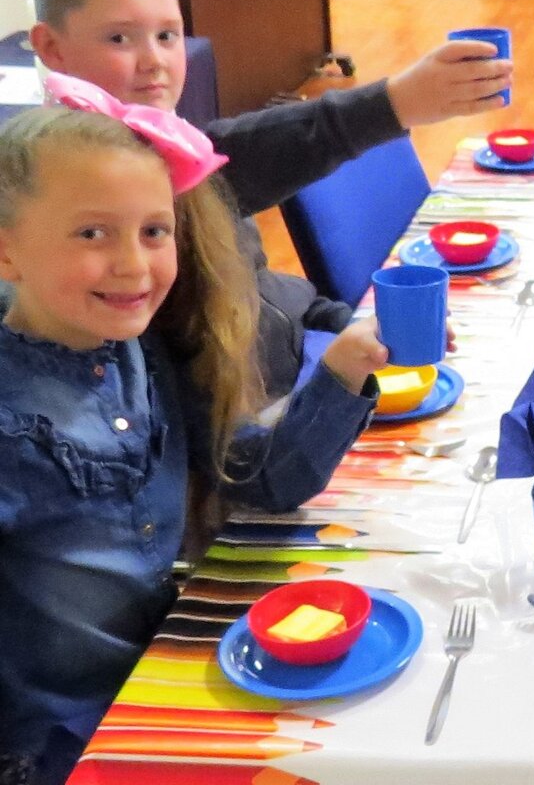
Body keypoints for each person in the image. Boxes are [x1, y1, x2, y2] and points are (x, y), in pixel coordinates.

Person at [0, 83, 387, 784]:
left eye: (154, 230)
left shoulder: (138, 348)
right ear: (6, 254)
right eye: (93, 233)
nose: (133, 264)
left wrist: (340, 374)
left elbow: (254, 478)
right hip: (62, 746)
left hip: (164, 680)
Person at [27, 0, 511, 399]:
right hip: (271, 425)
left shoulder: (176, 145)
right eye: (119, 38)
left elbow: (263, 290)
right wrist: (393, 103)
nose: (153, 60)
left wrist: (340, 323)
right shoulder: (82, 192)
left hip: (307, 369)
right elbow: (249, 157)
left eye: (168, 35)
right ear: (51, 47)